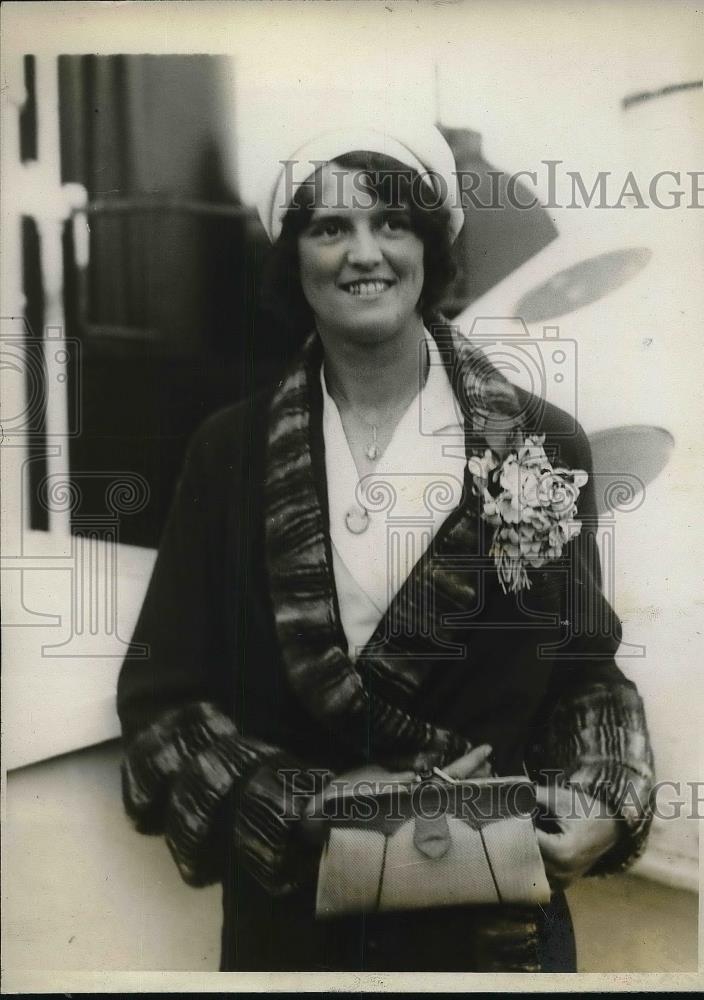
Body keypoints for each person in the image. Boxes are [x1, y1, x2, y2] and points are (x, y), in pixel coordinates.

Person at [116, 120, 655, 973]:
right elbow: (162, 711)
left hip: (494, 916)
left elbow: (587, 672)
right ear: (294, 258)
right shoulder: (228, 452)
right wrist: (309, 803)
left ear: (431, 249)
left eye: (391, 223)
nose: (364, 253)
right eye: (330, 228)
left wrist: (606, 803)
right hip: (298, 924)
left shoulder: (541, 447)